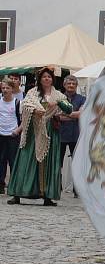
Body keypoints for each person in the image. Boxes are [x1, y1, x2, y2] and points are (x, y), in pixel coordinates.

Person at [7, 67, 73, 206]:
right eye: (44, 77)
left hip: (49, 132)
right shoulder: (33, 93)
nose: (46, 79)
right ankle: (18, 193)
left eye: (49, 77)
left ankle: (47, 195)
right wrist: (34, 110)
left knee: (48, 163)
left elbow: (69, 109)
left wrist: (58, 102)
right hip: (33, 132)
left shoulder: (58, 95)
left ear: (52, 79)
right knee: (26, 160)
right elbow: (25, 105)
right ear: (40, 79)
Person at [58, 74, 86, 197]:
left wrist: (67, 114)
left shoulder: (81, 98)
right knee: (57, 163)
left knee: (77, 163)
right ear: (64, 85)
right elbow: (57, 115)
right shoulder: (59, 97)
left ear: (76, 86)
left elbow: (81, 114)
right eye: (69, 83)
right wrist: (73, 115)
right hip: (60, 134)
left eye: (73, 84)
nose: (71, 86)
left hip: (76, 135)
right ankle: (56, 187)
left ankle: (77, 190)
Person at [0, 79, 22, 195]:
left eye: (7, 88)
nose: (5, 90)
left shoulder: (17, 103)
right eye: (3, 88)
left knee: (13, 161)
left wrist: (17, 131)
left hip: (13, 135)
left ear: (12, 89)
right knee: (1, 160)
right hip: (1, 134)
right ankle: (1, 184)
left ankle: (13, 185)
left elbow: (24, 121)